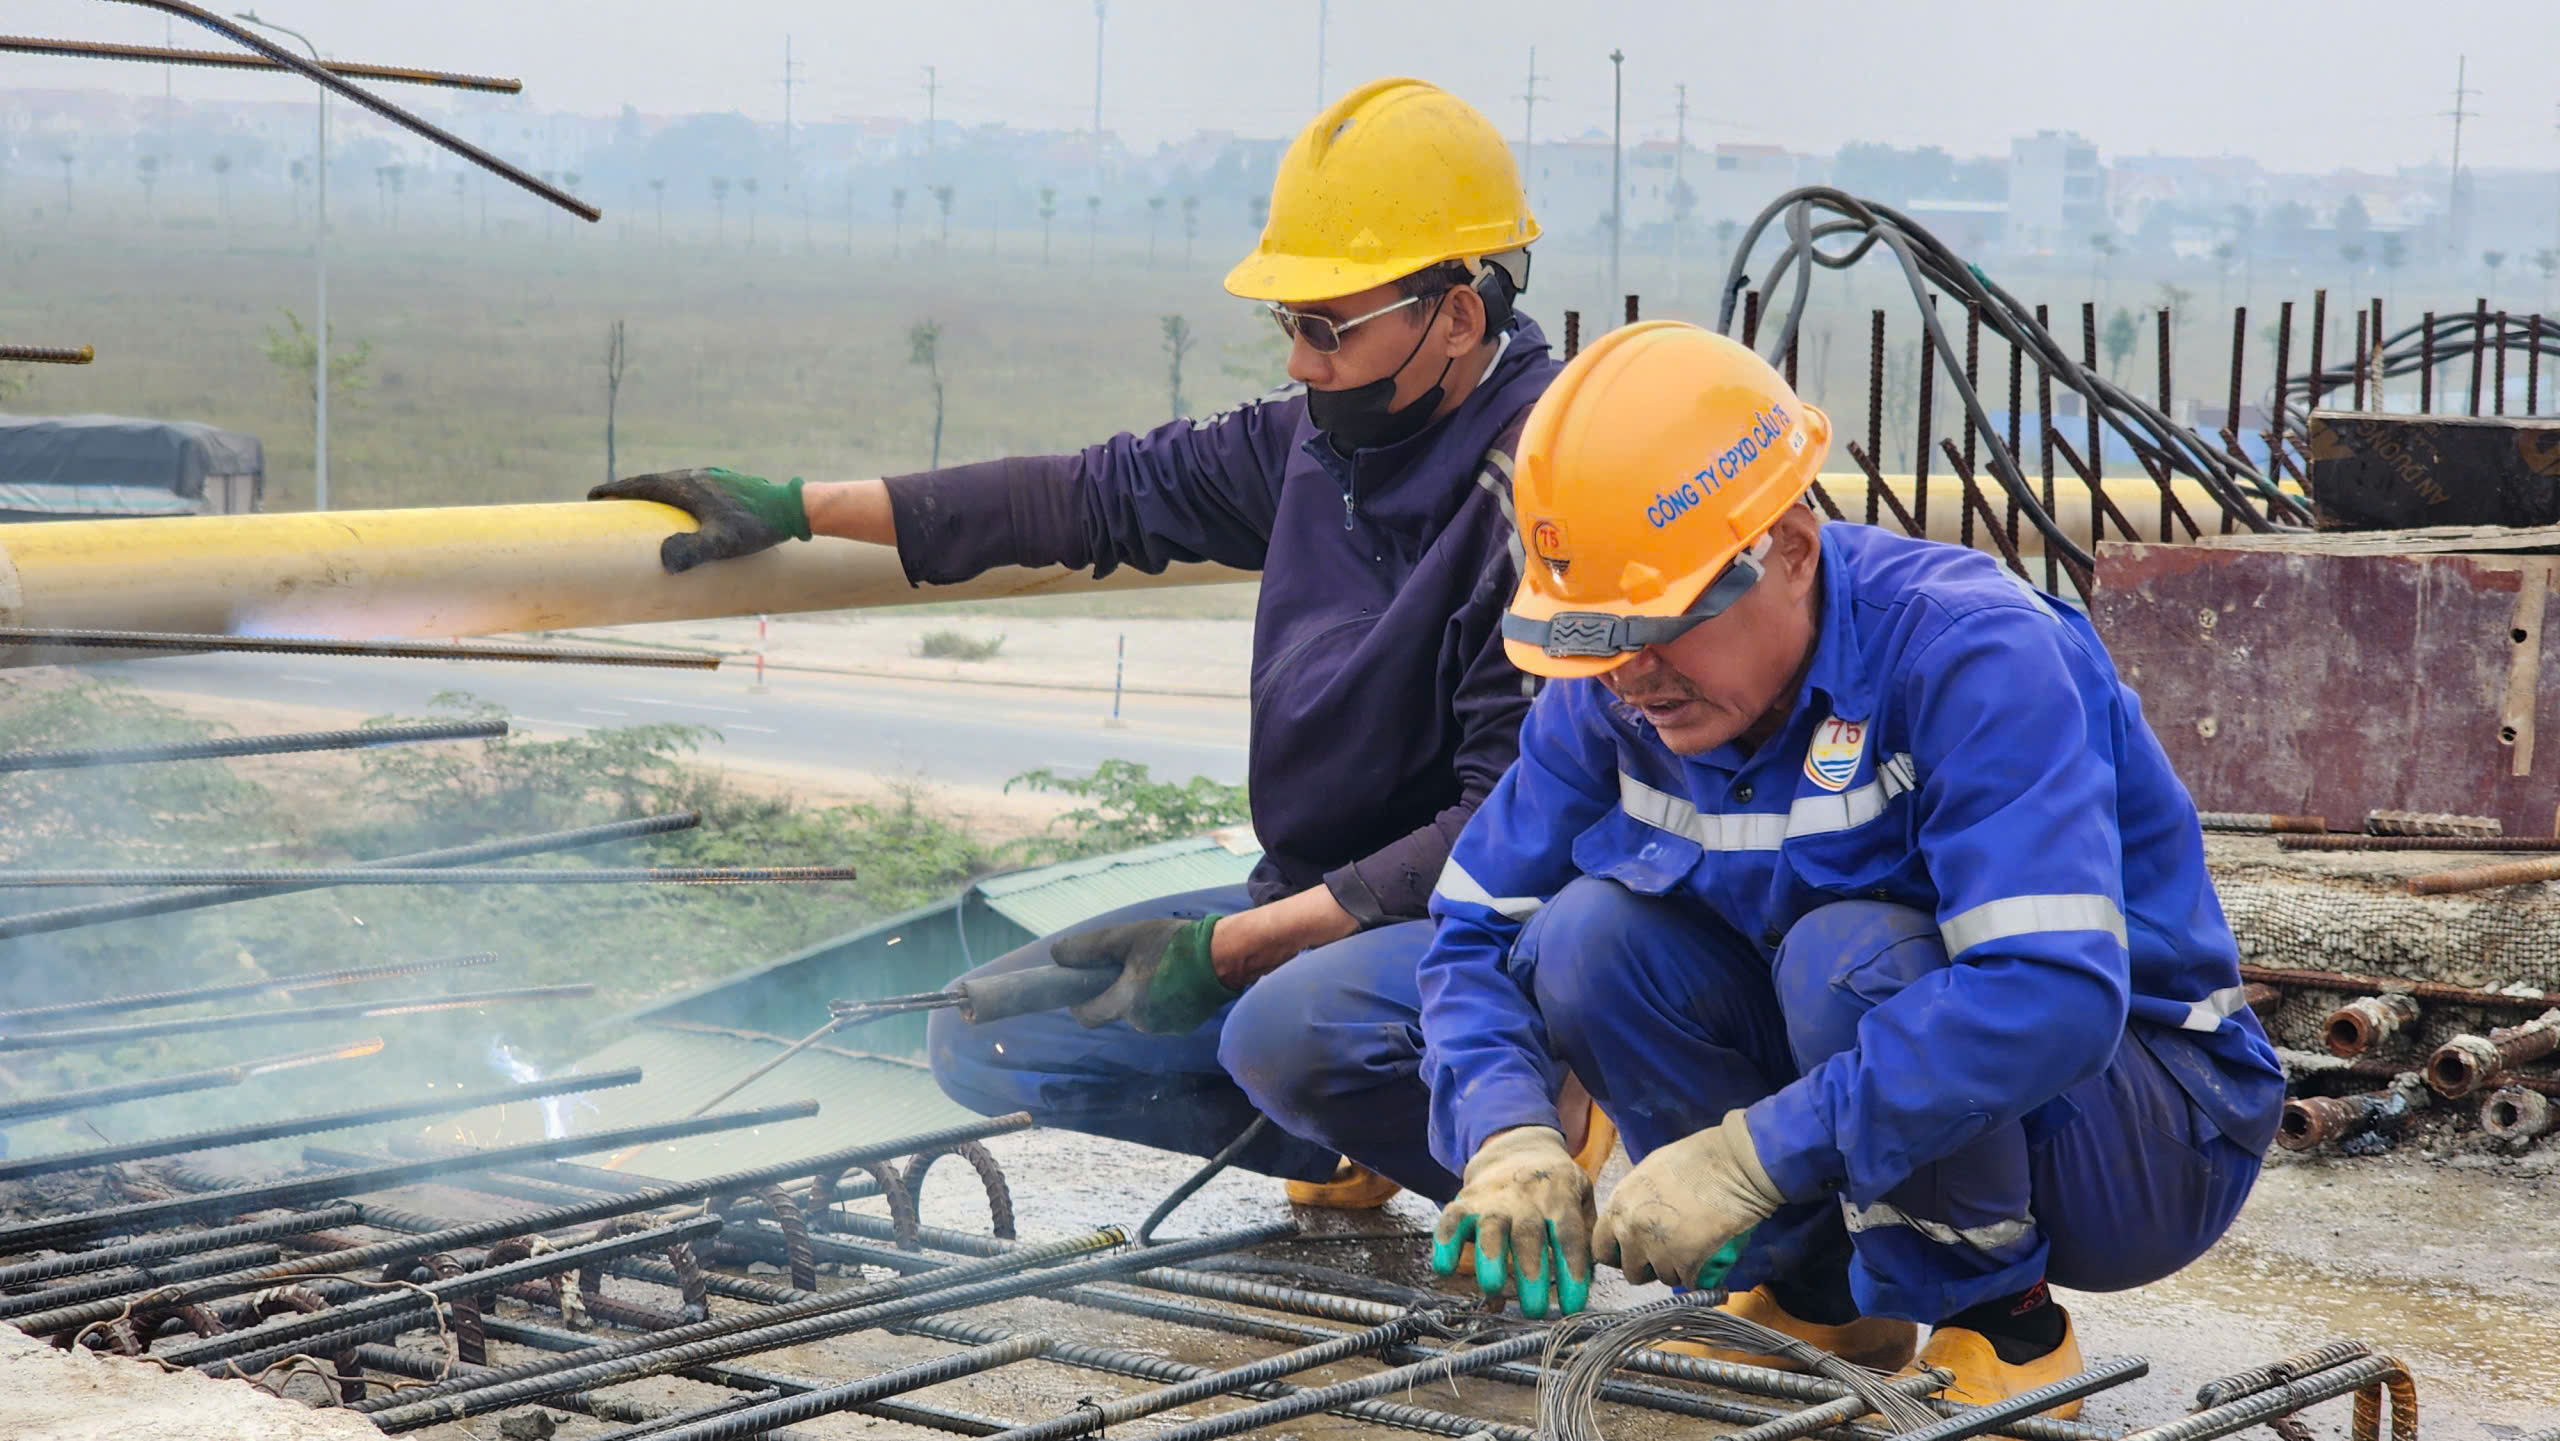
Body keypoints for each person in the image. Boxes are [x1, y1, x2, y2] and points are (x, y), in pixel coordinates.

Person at [592, 77, 1613, 1208]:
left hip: (1475, 927)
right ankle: (1351, 1131)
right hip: (1311, 908)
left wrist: (1232, 953)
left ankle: (1536, 1129)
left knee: (1284, 1024)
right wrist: (802, 504)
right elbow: (1090, 496)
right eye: (1289, 326)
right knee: (984, 1035)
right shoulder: (1316, 443)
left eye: (1328, 330)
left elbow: (1501, 828)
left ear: (1457, 316)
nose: (1299, 364)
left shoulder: (1544, 493)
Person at [1417, 320, 2283, 1409]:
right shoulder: (1614, 696)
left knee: (1847, 954)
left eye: (1659, 622)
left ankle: (1999, 1325)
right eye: (1597, 634)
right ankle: (1820, 1291)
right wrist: (1506, 1130)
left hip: (2142, 1128)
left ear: (1786, 548)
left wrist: (1751, 1153)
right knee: (1589, 939)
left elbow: (2050, 994)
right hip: (1891, 1085)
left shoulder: (1970, 654)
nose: (1628, 672)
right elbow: (1473, 935)